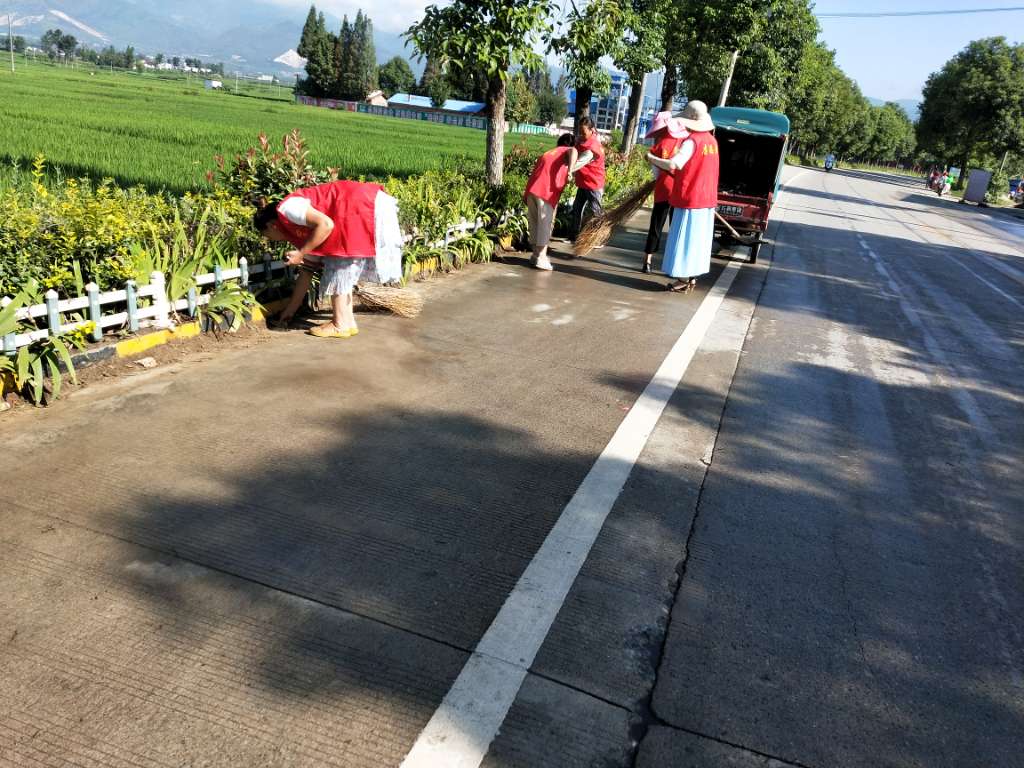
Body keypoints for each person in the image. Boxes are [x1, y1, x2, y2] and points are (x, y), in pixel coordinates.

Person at [253, 180, 403, 338]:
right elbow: (307, 272)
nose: (270, 240)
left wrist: (301, 253)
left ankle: (339, 325)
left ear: (271, 225)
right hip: (364, 205)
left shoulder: (287, 208)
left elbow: (326, 224)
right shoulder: (300, 230)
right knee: (341, 263)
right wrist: (288, 313)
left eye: (266, 235)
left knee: (338, 260)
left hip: (359, 204)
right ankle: (348, 322)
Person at [646, 100, 719, 293]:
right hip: (707, 199)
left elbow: (674, 164)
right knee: (698, 241)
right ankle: (692, 278)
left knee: (684, 239)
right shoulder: (712, 141)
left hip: (690, 198)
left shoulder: (691, 141)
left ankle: (682, 279)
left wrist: (652, 158)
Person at [523, 134, 578, 271]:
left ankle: (535, 255)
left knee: (535, 224)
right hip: (545, 192)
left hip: (532, 191)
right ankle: (541, 257)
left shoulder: (548, 153)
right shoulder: (566, 150)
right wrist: (570, 171)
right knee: (544, 224)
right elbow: (573, 151)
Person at [643, 111, 689, 274]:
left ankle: (647, 261)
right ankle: (673, 264)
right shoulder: (685, 142)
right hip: (679, 191)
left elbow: (656, 172)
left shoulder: (660, 145)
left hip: (663, 190)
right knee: (675, 229)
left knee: (656, 226)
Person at [569, 116, 606, 243]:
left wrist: (568, 171)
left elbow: (580, 162)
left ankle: (597, 239)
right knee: (577, 208)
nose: (581, 135)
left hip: (593, 182)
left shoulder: (593, 146)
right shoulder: (581, 141)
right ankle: (574, 236)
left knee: (595, 212)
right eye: (579, 131)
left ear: (591, 130)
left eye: (583, 132)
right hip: (583, 181)